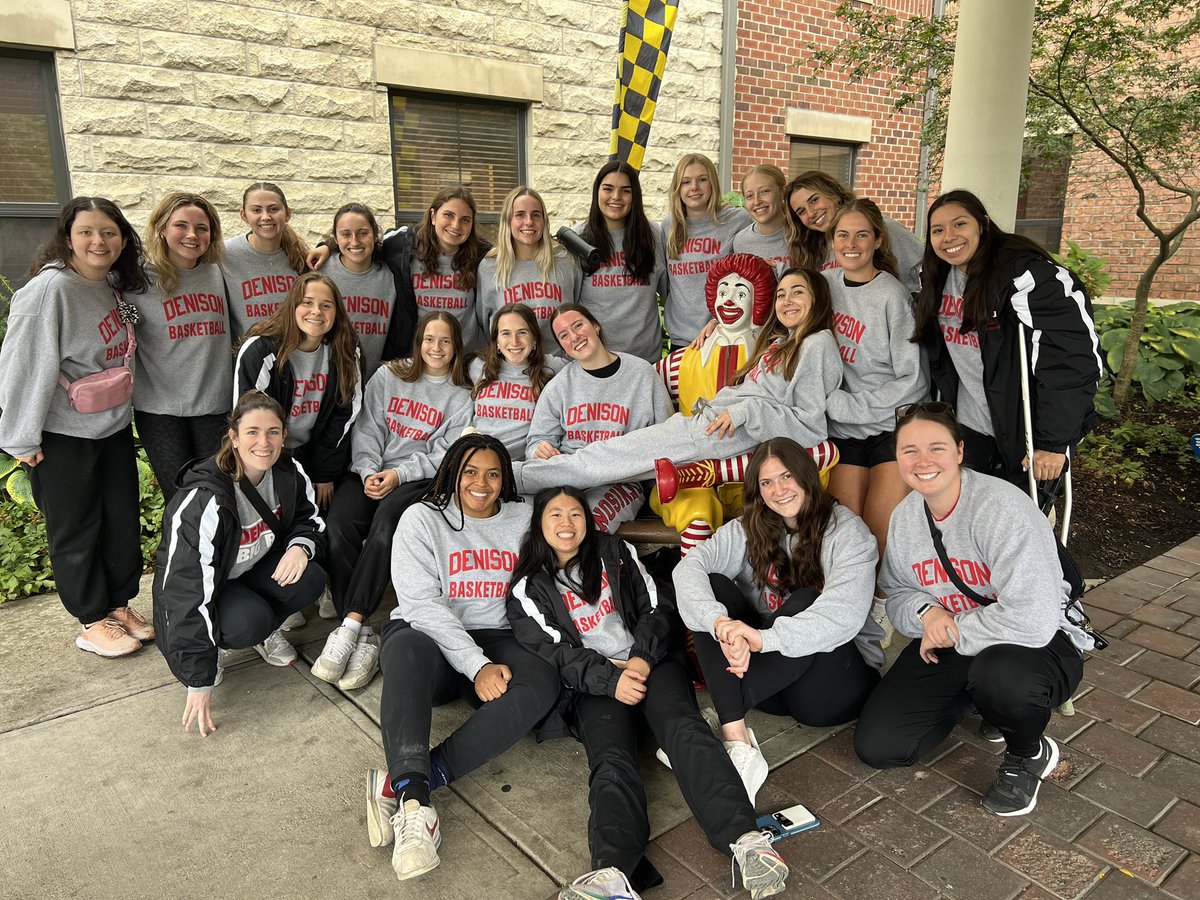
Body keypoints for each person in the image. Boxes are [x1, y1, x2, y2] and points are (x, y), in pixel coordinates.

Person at [507, 486, 790, 900]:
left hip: (651, 664)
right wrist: (609, 679)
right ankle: (612, 875)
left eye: (575, 514)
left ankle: (748, 841)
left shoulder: (613, 552)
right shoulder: (528, 588)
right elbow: (555, 654)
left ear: (587, 520)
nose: (567, 524)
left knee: (684, 728)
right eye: (555, 516)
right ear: (539, 525)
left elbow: (658, 608)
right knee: (611, 759)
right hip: (594, 685)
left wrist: (640, 659)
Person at [853, 402, 1092, 817]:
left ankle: (1027, 752)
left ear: (960, 452)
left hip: (1035, 646)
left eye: (936, 448)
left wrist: (949, 629)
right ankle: (978, 700)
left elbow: (1033, 620)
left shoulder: (1001, 508)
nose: (922, 461)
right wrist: (928, 615)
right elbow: (897, 592)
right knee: (880, 746)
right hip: (953, 639)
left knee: (1000, 675)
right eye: (909, 450)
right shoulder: (907, 516)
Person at [366, 434, 559, 881]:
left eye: (493, 473)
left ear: (505, 479)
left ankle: (408, 782)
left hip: (501, 636)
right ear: (452, 473)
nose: (481, 483)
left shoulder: (525, 518)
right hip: (430, 639)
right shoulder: (421, 519)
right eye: (470, 471)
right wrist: (476, 665)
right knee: (405, 645)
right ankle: (417, 811)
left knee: (542, 684)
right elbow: (420, 606)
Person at [514, 269, 843, 504]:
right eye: (781, 294)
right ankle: (520, 476)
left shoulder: (817, 344)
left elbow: (810, 424)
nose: (786, 300)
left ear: (818, 298)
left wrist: (746, 411)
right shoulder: (784, 342)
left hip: (720, 432)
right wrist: (713, 323)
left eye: (797, 292)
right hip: (709, 426)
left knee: (604, 458)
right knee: (613, 463)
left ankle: (513, 477)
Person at [673, 439, 883, 803]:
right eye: (767, 482)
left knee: (805, 600)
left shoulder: (846, 532)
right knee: (712, 587)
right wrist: (719, 622)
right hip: (770, 687)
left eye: (786, 476)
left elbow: (843, 615)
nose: (778, 490)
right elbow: (689, 568)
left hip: (829, 689)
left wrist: (761, 639)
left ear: (806, 476)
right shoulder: (747, 527)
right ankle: (737, 739)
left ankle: (721, 721)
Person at [0, 197, 153, 658]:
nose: (98, 241)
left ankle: (118, 604)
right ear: (68, 236)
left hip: (109, 427)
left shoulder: (110, 284)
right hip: (62, 434)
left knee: (120, 518)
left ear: (122, 238)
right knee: (76, 527)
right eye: (86, 231)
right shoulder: (48, 291)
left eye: (108, 232)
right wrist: (21, 438)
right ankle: (90, 619)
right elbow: (22, 366)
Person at [313, 312, 473, 690]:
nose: (436, 348)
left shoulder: (461, 394)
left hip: (416, 480)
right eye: (429, 339)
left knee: (387, 524)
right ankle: (365, 635)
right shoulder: (389, 376)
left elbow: (445, 453)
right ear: (418, 342)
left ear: (456, 347)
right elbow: (367, 427)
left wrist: (399, 475)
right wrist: (369, 471)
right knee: (338, 527)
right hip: (369, 472)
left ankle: (349, 623)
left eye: (445, 341)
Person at [154, 391, 327, 735]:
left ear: (283, 435)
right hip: (208, 589)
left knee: (311, 577)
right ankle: (217, 647)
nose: (264, 442)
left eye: (273, 432)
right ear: (233, 437)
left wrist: (300, 547)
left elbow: (311, 520)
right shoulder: (204, 499)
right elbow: (183, 590)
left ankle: (265, 632)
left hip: (248, 571)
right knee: (248, 622)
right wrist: (198, 677)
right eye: (252, 432)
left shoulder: (289, 471)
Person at [912, 189, 1102, 487]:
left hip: (1023, 434)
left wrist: (1052, 443)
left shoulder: (1027, 277)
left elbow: (1073, 360)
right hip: (969, 428)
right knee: (970, 521)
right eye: (938, 230)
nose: (948, 236)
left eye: (960, 224)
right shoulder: (936, 278)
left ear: (983, 224)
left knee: (1019, 526)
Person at [821, 198, 929, 646]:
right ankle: (850, 608)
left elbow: (913, 380)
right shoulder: (824, 284)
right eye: (843, 235)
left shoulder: (891, 296)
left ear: (878, 240)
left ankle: (880, 609)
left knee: (879, 530)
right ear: (832, 241)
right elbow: (781, 317)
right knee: (847, 531)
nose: (851, 243)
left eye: (861, 234)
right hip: (842, 434)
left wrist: (847, 406)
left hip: (887, 426)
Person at [525, 304, 674, 533]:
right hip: (567, 477)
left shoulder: (642, 374)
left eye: (578, 326)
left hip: (620, 481)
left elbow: (667, 436)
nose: (574, 337)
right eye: (564, 335)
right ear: (563, 348)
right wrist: (539, 449)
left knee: (584, 523)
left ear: (595, 326)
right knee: (530, 521)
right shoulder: (559, 386)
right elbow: (536, 441)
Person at [307, 186, 490, 360]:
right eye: (448, 215)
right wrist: (328, 247)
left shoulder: (481, 255)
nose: (456, 225)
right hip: (419, 359)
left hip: (465, 360)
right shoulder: (404, 243)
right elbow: (365, 243)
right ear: (433, 216)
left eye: (465, 219)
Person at [234, 271, 363, 516]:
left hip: (318, 451)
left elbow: (345, 412)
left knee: (322, 519)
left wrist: (323, 471)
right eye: (307, 303)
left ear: (336, 314)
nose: (316, 311)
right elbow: (249, 420)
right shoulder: (261, 350)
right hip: (269, 452)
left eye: (326, 305)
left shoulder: (345, 349)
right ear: (292, 305)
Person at [135, 192, 232, 501]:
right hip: (161, 412)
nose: (192, 235)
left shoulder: (219, 271)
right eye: (181, 225)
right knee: (179, 501)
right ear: (162, 228)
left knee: (220, 497)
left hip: (215, 408)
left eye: (202, 228)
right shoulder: (135, 280)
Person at [576, 160, 670, 362]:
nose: (616, 197)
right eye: (608, 189)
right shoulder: (578, 238)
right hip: (595, 359)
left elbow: (671, 294)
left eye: (625, 191)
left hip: (645, 360)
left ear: (635, 196)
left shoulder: (654, 235)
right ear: (597, 192)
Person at [662, 153, 751, 348]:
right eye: (686, 182)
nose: (694, 187)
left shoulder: (738, 220)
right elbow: (666, 283)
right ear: (678, 188)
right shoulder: (670, 225)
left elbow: (751, 277)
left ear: (713, 183)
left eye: (702, 179)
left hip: (725, 336)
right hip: (682, 341)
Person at [477, 186, 583, 349]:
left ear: (544, 221)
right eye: (520, 215)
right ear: (508, 220)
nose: (528, 222)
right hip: (511, 369)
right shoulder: (489, 268)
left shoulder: (566, 262)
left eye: (536, 215)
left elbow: (575, 310)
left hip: (560, 368)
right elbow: (485, 324)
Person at [786, 171, 923, 293]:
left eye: (814, 200)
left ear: (833, 194)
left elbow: (926, 269)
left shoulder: (883, 227)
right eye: (801, 211)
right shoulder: (813, 249)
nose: (811, 213)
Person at [469, 303, 564, 462]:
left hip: (520, 466)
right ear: (497, 341)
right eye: (506, 333)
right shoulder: (478, 366)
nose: (514, 342)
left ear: (534, 338)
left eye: (522, 332)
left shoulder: (553, 368)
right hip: (477, 460)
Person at [221, 182, 308, 337]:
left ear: (287, 213)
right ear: (243, 215)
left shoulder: (301, 255)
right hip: (250, 358)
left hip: (294, 355)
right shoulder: (224, 255)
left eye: (273, 209)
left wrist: (328, 246)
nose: (266, 217)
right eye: (256, 210)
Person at [319, 202, 396, 373]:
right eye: (346, 234)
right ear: (335, 237)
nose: (354, 241)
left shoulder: (392, 276)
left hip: (371, 384)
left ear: (375, 235)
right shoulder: (319, 272)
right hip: (326, 382)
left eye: (363, 233)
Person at [730, 165, 793, 269]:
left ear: (782, 192)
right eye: (750, 196)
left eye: (764, 191)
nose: (757, 201)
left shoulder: (803, 234)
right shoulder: (741, 242)